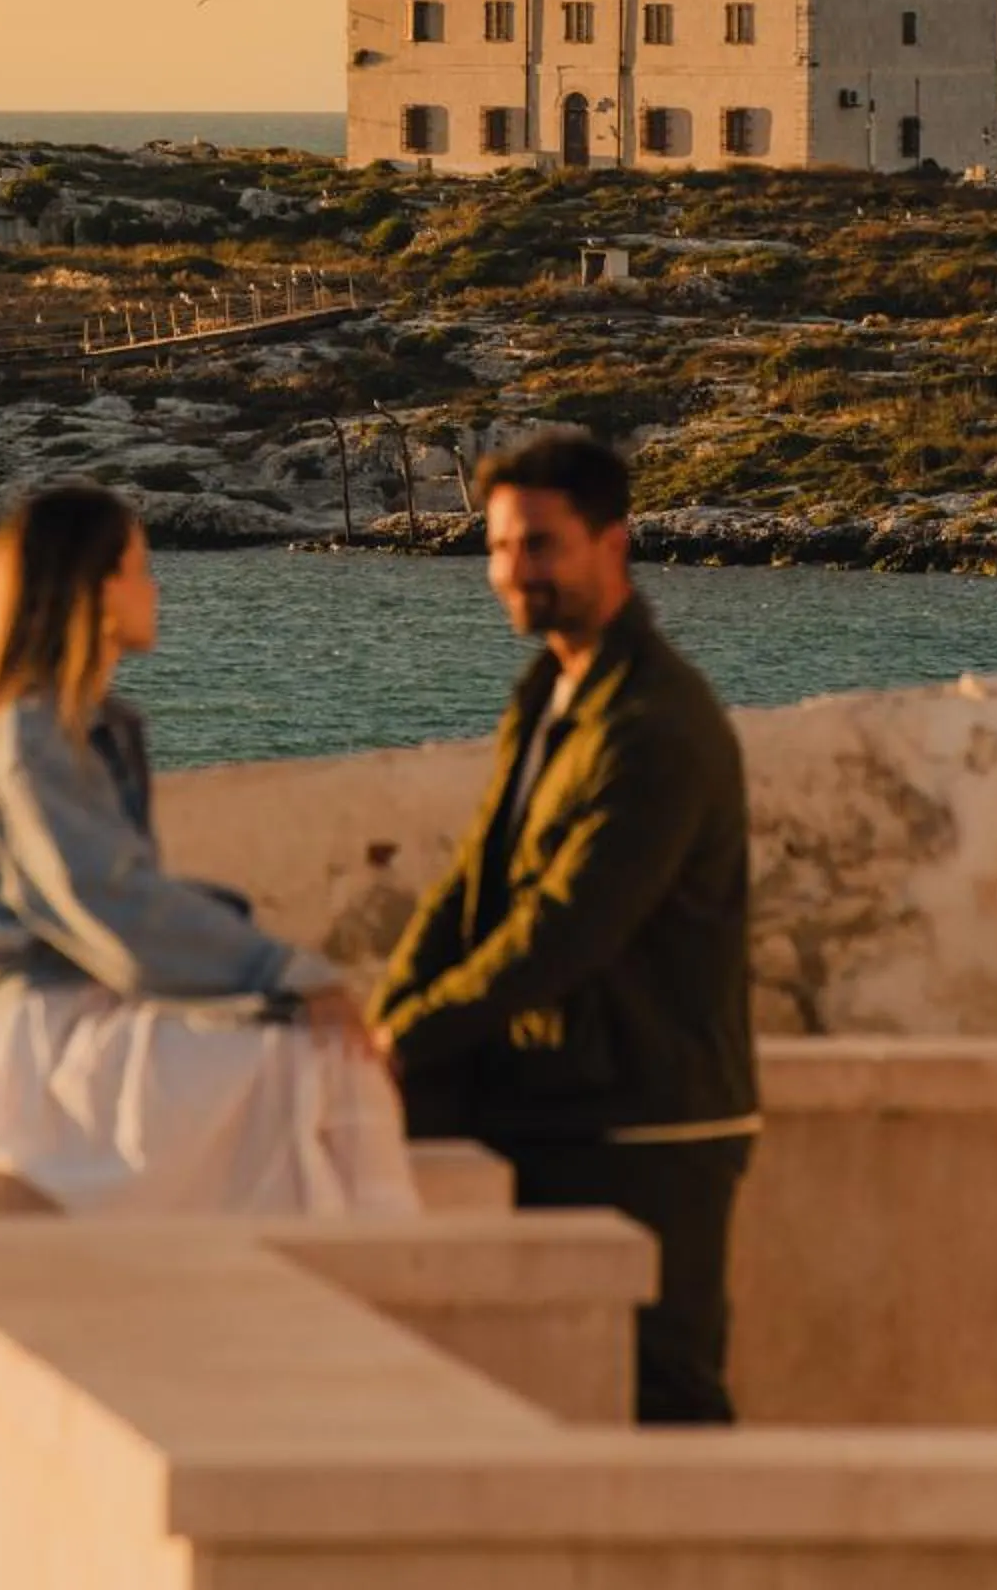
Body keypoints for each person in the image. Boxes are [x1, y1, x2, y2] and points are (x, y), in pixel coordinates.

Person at [369, 429, 756, 1423]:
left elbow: (561, 932)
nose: (512, 573)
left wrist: (407, 1038)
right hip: (560, 1101)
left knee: (665, 1403)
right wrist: (388, 1015)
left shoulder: (655, 726)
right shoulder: (550, 690)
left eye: (538, 546)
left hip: (651, 1123)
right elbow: (473, 886)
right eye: (499, 548)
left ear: (611, 545)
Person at [0, 482, 416, 1217]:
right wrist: (289, 972)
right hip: (51, 1056)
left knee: (326, 1061)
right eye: (140, 569)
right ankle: (380, 1276)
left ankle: (364, 1271)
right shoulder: (32, 738)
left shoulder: (93, 731)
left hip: (97, 1026)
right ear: (94, 594)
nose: (155, 590)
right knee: (330, 1060)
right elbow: (110, 900)